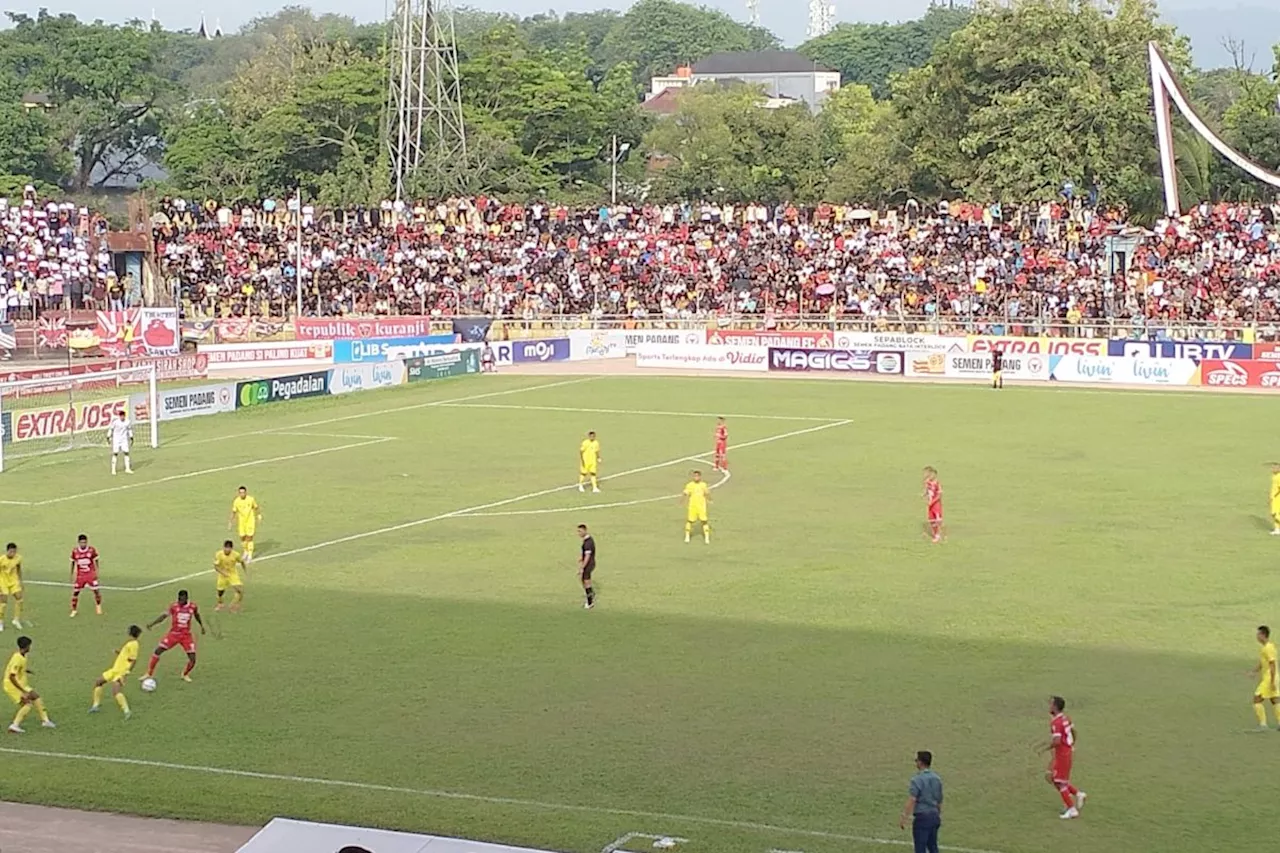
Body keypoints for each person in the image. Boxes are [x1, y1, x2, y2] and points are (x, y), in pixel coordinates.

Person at [143, 590, 206, 684]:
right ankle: (149, 673)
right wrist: (152, 624)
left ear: (186, 598)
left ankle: (185, 674)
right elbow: (163, 616)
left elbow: (197, 615)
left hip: (186, 636)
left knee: (193, 659)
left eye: (182, 600)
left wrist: (201, 626)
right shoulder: (174, 606)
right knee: (158, 651)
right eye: (179, 599)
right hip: (173, 634)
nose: (180, 601)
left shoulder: (193, 606)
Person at [1044, 696, 1086, 819]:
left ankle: (1072, 809)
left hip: (1062, 754)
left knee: (1058, 781)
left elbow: (1057, 741)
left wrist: (1048, 747)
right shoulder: (1066, 718)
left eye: (1051, 704)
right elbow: (1074, 732)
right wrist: (1071, 744)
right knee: (1059, 780)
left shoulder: (1056, 723)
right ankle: (1078, 795)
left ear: (1055, 707)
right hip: (1066, 752)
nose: (1049, 707)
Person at [5, 636, 54, 733]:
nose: (30, 648)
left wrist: (25, 670)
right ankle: (14, 725)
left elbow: (17, 669)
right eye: (30, 646)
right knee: (27, 704)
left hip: (21, 684)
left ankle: (45, 721)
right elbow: (11, 676)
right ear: (26, 646)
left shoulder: (22, 655)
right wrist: (23, 692)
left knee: (36, 696)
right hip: (12, 685)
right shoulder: (17, 658)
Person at [90, 625, 141, 718]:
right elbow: (126, 655)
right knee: (98, 682)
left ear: (130, 632)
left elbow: (133, 660)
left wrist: (126, 673)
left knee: (116, 691)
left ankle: (127, 711)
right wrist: (118, 652)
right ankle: (95, 705)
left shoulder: (134, 644)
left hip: (121, 672)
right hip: (114, 669)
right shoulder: (130, 643)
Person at [899, 750, 942, 853]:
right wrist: (938, 815)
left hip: (922, 818)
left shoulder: (917, 780)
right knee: (933, 847)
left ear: (920, 762)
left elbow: (912, 799)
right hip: (934, 816)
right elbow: (939, 799)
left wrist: (904, 817)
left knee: (920, 848)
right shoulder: (937, 779)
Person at [1252, 625, 1279, 729]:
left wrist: (1272, 681)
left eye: (1258, 634)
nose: (1257, 637)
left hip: (1269, 678)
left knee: (1257, 699)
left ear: (1263, 635)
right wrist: (1254, 671)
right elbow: (1263, 662)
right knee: (1275, 700)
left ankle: (1263, 724)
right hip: (1273, 677)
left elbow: (1272, 664)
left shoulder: (1268, 648)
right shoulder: (1267, 647)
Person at [69, 533, 102, 617]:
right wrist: (72, 574)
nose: (83, 544)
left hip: (90, 574)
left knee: (96, 591)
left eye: (84, 542)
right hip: (80, 576)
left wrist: (97, 571)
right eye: (81, 542)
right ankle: (74, 610)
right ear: (78, 542)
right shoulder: (75, 551)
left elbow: (96, 560)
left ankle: (98, 606)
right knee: (76, 592)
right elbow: (72, 562)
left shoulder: (91, 550)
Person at [228, 486, 262, 561]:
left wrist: (258, 515)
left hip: (250, 521)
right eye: (240, 493)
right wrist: (230, 522)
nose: (242, 494)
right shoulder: (236, 501)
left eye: (243, 492)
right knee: (242, 537)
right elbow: (234, 512)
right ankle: (245, 551)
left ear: (246, 492)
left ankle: (250, 554)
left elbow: (256, 507)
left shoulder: (251, 499)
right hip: (241, 522)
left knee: (249, 537)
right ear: (238, 493)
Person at [213, 540, 247, 612]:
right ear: (223, 548)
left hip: (232, 574)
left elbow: (241, 561)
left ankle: (234, 605)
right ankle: (220, 604)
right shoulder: (219, 554)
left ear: (231, 549)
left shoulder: (236, 555)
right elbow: (216, 567)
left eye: (229, 548)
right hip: (222, 575)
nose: (227, 550)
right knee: (220, 592)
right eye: (226, 548)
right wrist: (223, 573)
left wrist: (245, 570)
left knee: (239, 590)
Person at [0, 541, 25, 631]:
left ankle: (16, 619)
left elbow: (18, 569)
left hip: (14, 581)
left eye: (14, 551)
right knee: (3, 602)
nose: (13, 553)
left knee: (19, 598)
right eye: (11, 551)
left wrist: (20, 581)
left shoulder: (18, 558)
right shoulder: (1, 559)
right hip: (3, 582)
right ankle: (1, 622)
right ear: (7, 551)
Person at [683, 470, 712, 544]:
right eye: (694, 476)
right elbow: (686, 493)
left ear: (700, 477)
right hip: (693, 506)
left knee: (704, 521)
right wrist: (682, 500)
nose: (696, 477)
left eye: (697, 476)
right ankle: (687, 536)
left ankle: (707, 537)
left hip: (702, 507)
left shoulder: (703, 485)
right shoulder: (689, 485)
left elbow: (707, 493)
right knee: (690, 521)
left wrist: (710, 499)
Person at [107, 409, 133, 475]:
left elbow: (129, 429)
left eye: (123, 416)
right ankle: (113, 470)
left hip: (124, 439)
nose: (122, 417)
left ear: (124, 416)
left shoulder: (127, 422)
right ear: (119, 416)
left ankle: (127, 468)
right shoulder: (116, 422)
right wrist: (108, 436)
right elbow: (111, 429)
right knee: (115, 453)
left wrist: (131, 437)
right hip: (116, 440)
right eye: (121, 416)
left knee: (126, 453)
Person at [577, 524, 596, 610]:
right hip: (590, 563)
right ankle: (591, 594)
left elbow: (588, 555)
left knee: (586, 582)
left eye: (580, 531)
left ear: (585, 530)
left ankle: (590, 602)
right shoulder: (588, 540)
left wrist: (582, 567)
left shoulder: (588, 542)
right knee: (584, 581)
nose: (579, 533)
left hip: (588, 565)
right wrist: (581, 558)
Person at [922, 467, 943, 543]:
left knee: (937, 520)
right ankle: (935, 534)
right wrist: (924, 495)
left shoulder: (937, 483)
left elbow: (939, 496)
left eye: (930, 474)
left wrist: (932, 502)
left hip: (936, 505)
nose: (928, 476)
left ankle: (938, 535)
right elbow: (926, 491)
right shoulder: (927, 482)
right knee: (931, 520)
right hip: (930, 505)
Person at [1269, 463, 1280, 536]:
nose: (1272, 469)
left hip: (1277, 498)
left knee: (1276, 513)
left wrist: (1275, 496)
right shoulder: (1274, 476)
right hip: (1274, 498)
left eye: (1274, 468)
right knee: (1273, 513)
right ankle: (1277, 529)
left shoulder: (1279, 477)